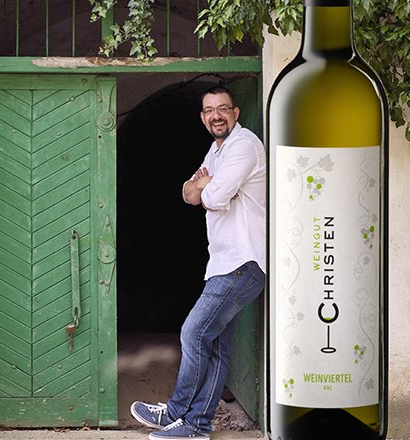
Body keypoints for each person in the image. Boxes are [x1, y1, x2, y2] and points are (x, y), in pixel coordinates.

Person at [129, 85, 266, 440]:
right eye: (209, 110)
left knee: (193, 332)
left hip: (242, 261)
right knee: (217, 345)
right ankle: (197, 425)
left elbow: (214, 196)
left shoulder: (243, 145)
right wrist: (204, 188)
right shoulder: (216, 149)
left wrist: (208, 189)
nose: (216, 115)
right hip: (224, 262)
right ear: (203, 117)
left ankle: (176, 413)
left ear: (235, 113)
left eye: (223, 109)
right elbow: (189, 192)